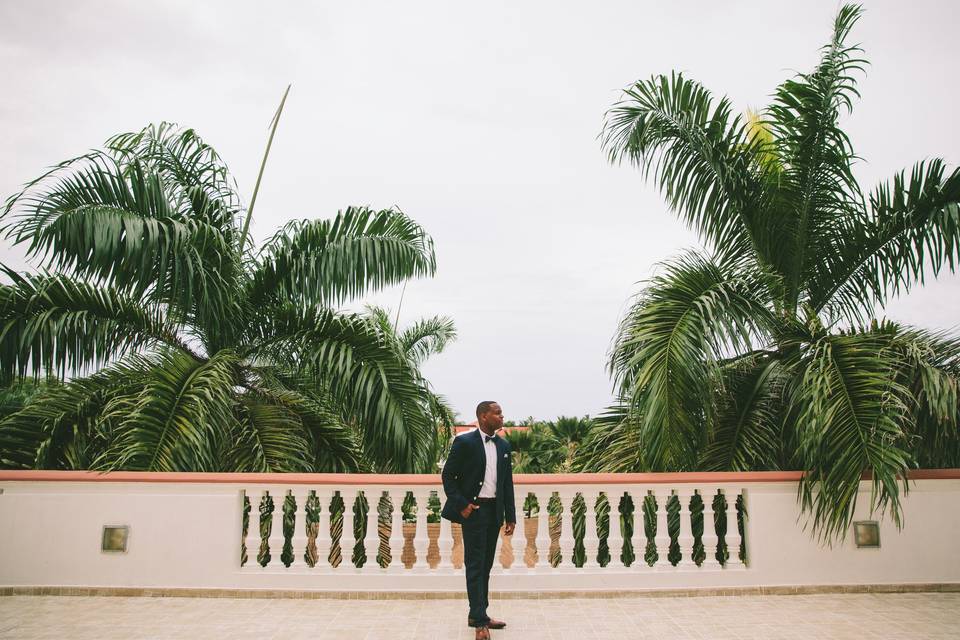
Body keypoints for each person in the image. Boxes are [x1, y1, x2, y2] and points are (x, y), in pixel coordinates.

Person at [441, 401, 516, 640]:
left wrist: (510, 515)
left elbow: (507, 483)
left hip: (494, 512)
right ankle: (480, 622)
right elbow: (447, 476)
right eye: (497, 413)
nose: (502, 416)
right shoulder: (464, 442)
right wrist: (462, 505)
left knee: (485, 565)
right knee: (475, 565)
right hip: (474, 511)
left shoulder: (503, 445)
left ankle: (478, 614)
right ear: (483, 416)